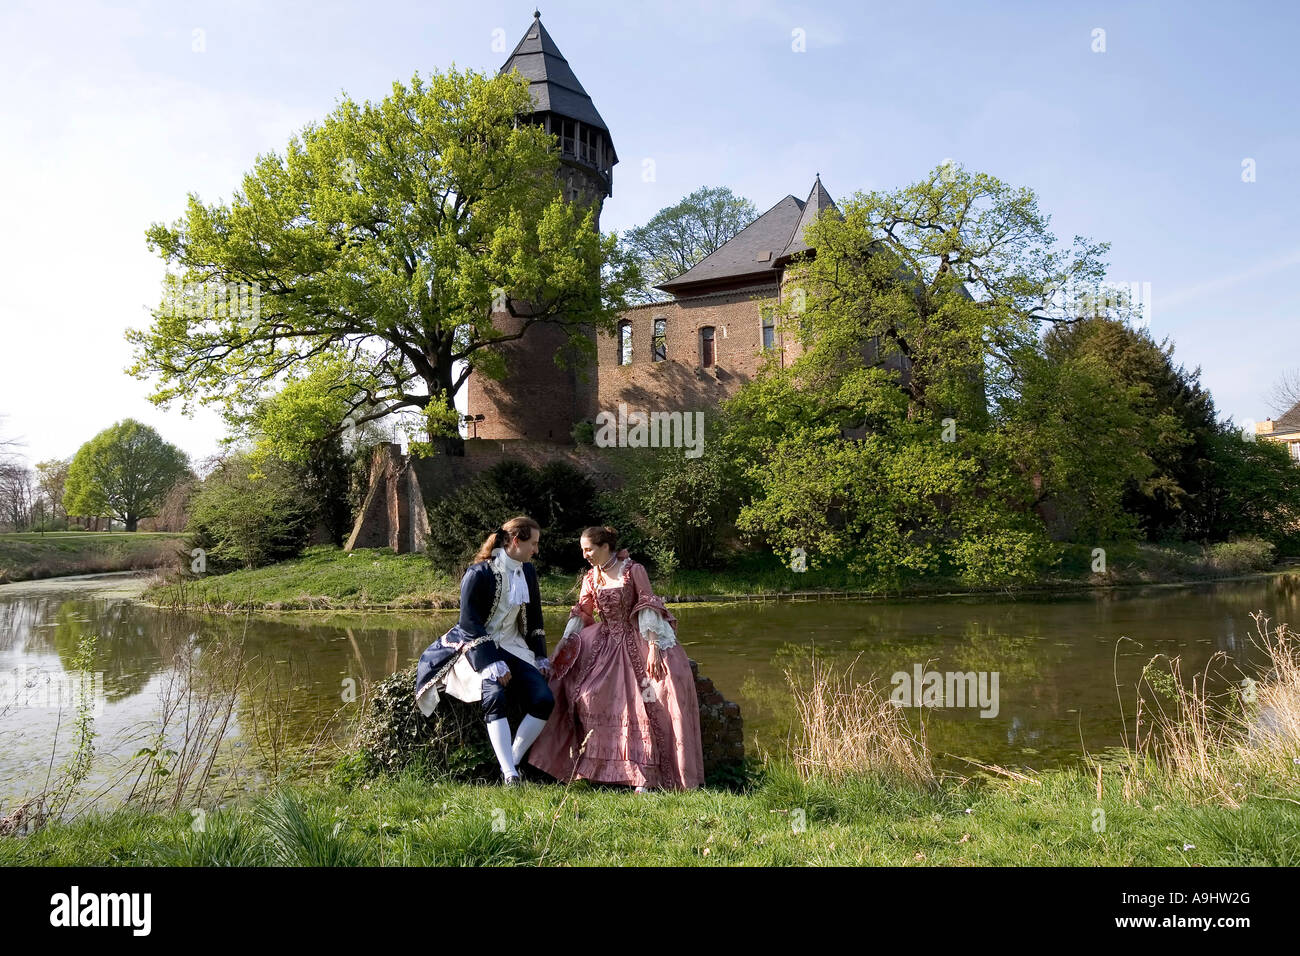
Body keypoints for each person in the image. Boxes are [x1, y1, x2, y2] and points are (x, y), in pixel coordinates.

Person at [526, 525, 704, 791]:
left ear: (605, 547)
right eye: (583, 550)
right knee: (586, 693)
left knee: (646, 699)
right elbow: (582, 613)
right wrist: (562, 644)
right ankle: (596, 770)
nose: (585, 554)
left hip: (637, 639)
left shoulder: (633, 570)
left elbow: (647, 605)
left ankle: (644, 776)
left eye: (589, 549)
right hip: (604, 642)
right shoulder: (590, 577)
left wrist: (654, 647)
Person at [413, 516, 553, 785]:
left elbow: (535, 619)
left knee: (544, 699)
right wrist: (489, 662)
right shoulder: (479, 573)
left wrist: (540, 654)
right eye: (533, 544)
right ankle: (510, 774)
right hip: (475, 645)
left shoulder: (528, 572)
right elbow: (468, 623)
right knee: (494, 692)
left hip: (512, 645)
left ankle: (512, 760)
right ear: (516, 541)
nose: (536, 550)